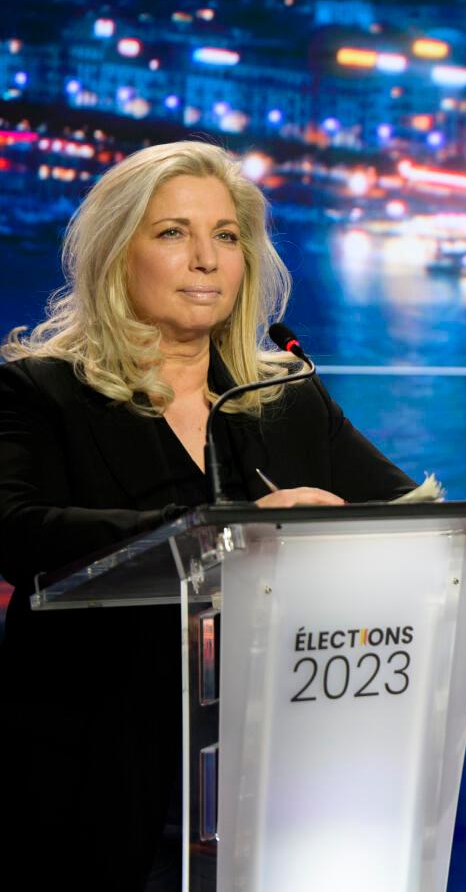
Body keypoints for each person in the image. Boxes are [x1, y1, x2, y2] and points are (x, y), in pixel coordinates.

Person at [0, 141, 413, 887]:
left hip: (283, 781)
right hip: (97, 781)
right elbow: (16, 530)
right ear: (115, 254)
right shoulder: (39, 393)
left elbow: (409, 519)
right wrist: (228, 530)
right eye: (172, 232)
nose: (206, 258)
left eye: (226, 236)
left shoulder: (286, 398)